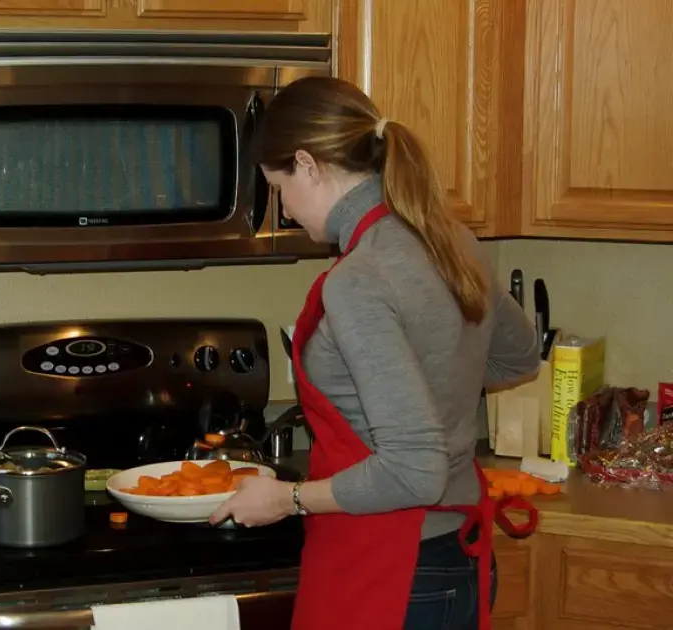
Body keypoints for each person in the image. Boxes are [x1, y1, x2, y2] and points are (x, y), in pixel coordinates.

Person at [209, 76, 541, 630]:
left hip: (392, 572)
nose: (286, 211)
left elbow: (415, 470)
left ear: (309, 165)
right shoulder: (451, 238)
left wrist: (286, 498)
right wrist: (434, 376)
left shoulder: (359, 279)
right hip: (454, 561)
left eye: (279, 188)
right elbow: (518, 356)